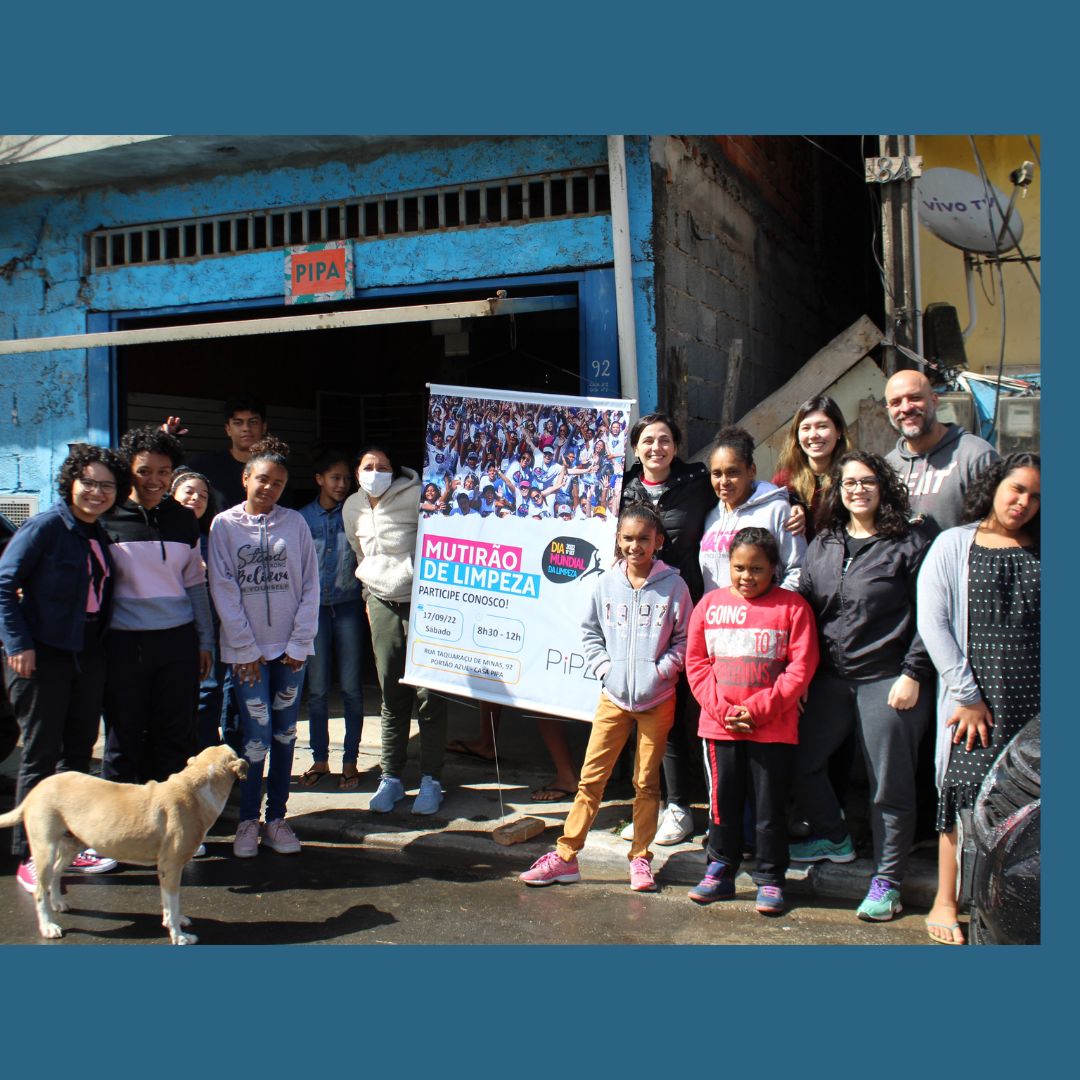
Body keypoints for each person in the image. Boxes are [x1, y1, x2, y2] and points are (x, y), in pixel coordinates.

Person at [790, 450, 936, 921]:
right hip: (831, 677)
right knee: (800, 759)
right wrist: (802, 670)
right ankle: (834, 835)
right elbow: (807, 610)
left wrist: (914, 673)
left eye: (867, 481)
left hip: (888, 679)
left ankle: (888, 880)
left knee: (887, 785)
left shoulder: (908, 542)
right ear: (837, 491)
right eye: (849, 482)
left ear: (884, 487)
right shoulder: (826, 542)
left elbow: (930, 615)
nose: (857, 489)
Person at [519, 503, 691, 892]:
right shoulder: (605, 583)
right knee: (590, 779)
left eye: (644, 539)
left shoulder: (674, 586)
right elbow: (590, 631)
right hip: (612, 697)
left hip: (657, 699)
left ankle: (641, 858)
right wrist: (605, 670)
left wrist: (661, 671)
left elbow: (684, 639)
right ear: (618, 540)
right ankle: (565, 857)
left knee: (646, 783)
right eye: (628, 538)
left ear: (658, 542)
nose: (635, 546)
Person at [916, 452, 1040, 945]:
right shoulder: (954, 543)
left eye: (1035, 496)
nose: (1024, 503)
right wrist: (966, 695)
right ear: (994, 486)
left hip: (1033, 698)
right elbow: (934, 621)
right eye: (1016, 490)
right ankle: (946, 898)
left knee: (1030, 806)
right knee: (963, 792)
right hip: (976, 699)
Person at [0, 445, 132, 888]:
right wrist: (18, 644)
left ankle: (70, 846)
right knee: (39, 757)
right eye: (89, 482)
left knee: (76, 758)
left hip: (85, 654)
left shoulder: (96, 532)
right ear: (71, 482)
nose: (97, 492)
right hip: (43, 655)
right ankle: (30, 855)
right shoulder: (46, 527)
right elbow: (4, 585)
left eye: (107, 485)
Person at [684, 527, 819, 915]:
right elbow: (696, 664)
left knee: (769, 807)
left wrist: (760, 709)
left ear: (774, 568)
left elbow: (800, 668)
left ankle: (771, 878)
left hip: (773, 728)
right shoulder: (709, 605)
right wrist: (722, 711)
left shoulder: (793, 608)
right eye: (739, 567)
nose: (747, 576)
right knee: (722, 805)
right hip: (718, 727)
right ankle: (720, 869)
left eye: (757, 569)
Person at [208, 437, 320, 857]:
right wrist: (245, 648)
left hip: (291, 653)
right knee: (255, 737)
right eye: (262, 479)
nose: (269, 488)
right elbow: (223, 587)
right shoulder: (224, 525)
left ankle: (277, 819)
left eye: (278, 483)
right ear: (245, 477)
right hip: (247, 656)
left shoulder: (295, 524)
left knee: (286, 734)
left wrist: (299, 641)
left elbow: (311, 585)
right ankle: (246, 821)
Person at [618, 411, 714, 845]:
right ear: (635, 449)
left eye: (665, 440)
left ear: (676, 446)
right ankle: (646, 806)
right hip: (633, 615)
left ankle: (680, 807)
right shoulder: (622, 490)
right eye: (647, 441)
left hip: (683, 612)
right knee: (636, 710)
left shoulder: (698, 482)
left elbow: (742, 498)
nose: (656, 448)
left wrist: (794, 512)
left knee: (674, 713)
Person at [101, 427, 214, 785]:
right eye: (144, 470)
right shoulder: (108, 518)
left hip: (177, 643)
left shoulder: (183, 518)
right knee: (124, 738)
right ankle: (117, 832)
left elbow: (195, 583)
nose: (155, 480)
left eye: (164, 472)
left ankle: (170, 829)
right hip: (123, 644)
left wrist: (205, 641)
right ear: (128, 470)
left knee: (175, 736)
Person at [342, 447, 449, 815]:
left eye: (383, 467)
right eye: (368, 467)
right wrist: (368, 599)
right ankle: (391, 777)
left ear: (395, 471)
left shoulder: (415, 496)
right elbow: (360, 554)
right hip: (381, 602)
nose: (375, 472)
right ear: (358, 473)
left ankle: (431, 779)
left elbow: (439, 540)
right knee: (391, 694)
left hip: (423, 603)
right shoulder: (351, 507)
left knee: (430, 695)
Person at [297, 448, 365, 791]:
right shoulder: (300, 519)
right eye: (335, 478)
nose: (342, 485)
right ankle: (320, 759)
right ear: (319, 479)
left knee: (352, 689)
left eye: (346, 479)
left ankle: (350, 761)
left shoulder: (355, 513)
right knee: (319, 689)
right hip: (314, 612)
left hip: (350, 606)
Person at [883, 369, 999, 531]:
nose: (906, 408)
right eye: (896, 402)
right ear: (888, 409)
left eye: (915, 398)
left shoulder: (975, 455)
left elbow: (999, 525)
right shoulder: (889, 465)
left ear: (934, 401)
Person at [699, 426, 806, 594]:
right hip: (717, 617)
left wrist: (772, 611)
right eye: (717, 474)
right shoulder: (711, 516)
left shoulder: (777, 511)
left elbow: (798, 569)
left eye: (733, 472)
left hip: (764, 617)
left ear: (751, 471)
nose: (724, 481)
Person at [170, 469, 222, 754]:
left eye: (203, 495)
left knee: (208, 695)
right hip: (172, 628)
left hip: (208, 629)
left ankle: (205, 762)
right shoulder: (161, 533)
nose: (196, 498)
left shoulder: (212, 536)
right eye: (189, 492)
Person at [772, 395, 853, 540]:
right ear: (797, 435)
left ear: (838, 431)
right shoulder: (783, 481)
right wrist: (788, 510)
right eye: (806, 428)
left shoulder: (853, 477)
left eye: (822, 426)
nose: (813, 435)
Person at [186, 398, 270, 513]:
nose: (246, 428)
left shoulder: (274, 471)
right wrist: (167, 439)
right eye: (238, 423)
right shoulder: (204, 464)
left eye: (253, 422)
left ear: (264, 427)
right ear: (228, 429)